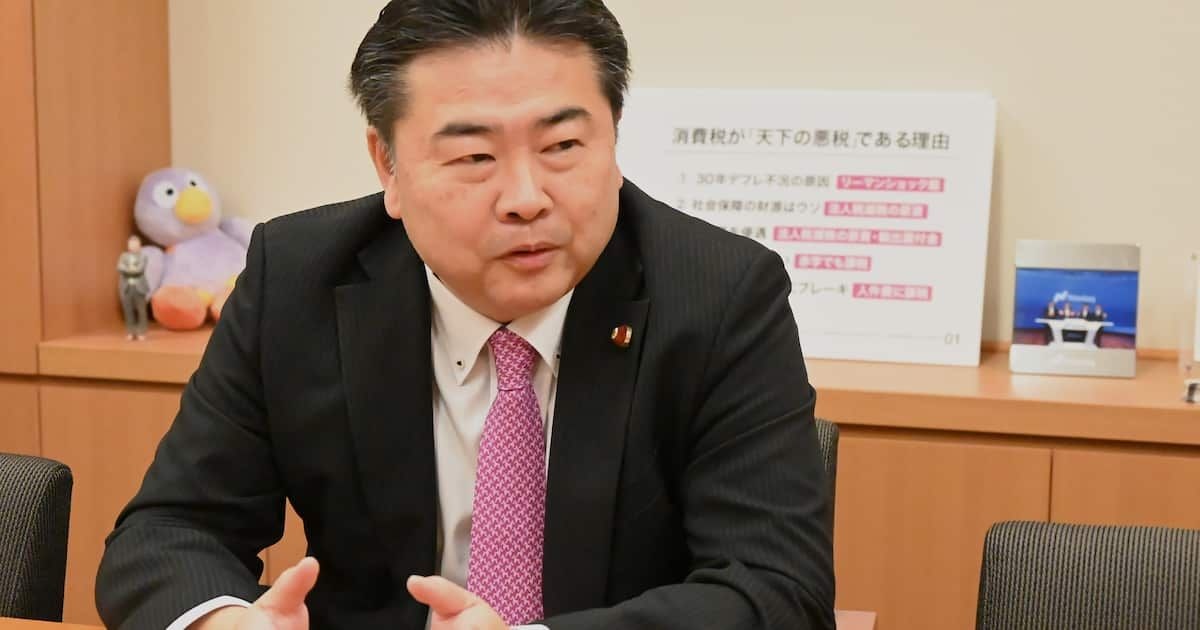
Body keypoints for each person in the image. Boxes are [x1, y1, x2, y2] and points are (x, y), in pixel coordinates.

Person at [94, 2, 835, 629]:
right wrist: (224, 621)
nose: (526, 198)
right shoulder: (299, 278)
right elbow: (169, 530)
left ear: (613, 137)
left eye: (563, 145)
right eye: (475, 158)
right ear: (387, 165)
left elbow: (778, 590)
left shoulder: (720, 294)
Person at [117, 234, 151, 340]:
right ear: (128, 246)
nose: (133, 246)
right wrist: (132, 270)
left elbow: (139, 270)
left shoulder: (143, 257)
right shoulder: (123, 256)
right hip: (126, 287)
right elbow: (120, 267)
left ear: (139, 246)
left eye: (135, 244)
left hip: (139, 287)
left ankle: (141, 332)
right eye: (131, 244)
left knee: (141, 311)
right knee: (128, 311)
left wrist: (128, 270)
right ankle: (130, 332)